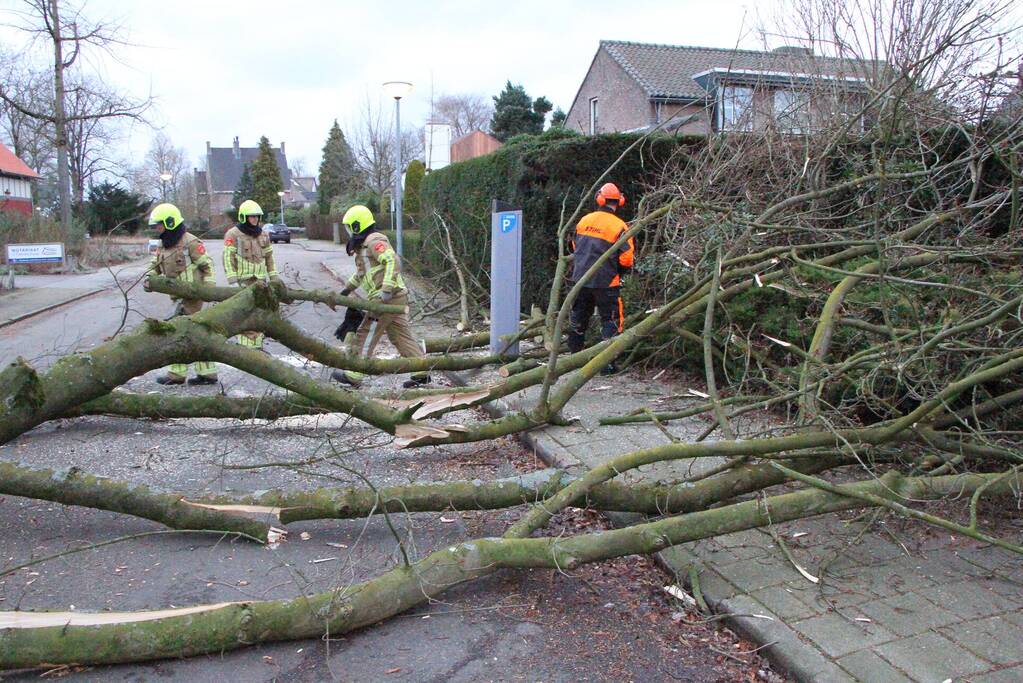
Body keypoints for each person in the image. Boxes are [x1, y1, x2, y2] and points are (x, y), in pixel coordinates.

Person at [330, 204, 431, 389]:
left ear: (357, 226)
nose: (347, 231)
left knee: (366, 331)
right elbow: (361, 274)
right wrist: (345, 290)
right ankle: (421, 371)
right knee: (400, 335)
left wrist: (386, 290)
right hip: (395, 296)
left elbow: (393, 260)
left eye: (349, 227)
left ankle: (355, 373)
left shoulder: (374, 240)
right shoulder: (363, 246)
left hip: (387, 297)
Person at [144, 203, 219, 386]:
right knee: (196, 333)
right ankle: (207, 373)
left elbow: (207, 266)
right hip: (177, 296)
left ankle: (177, 375)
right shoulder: (163, 244)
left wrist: (208, 291)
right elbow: (155, 266)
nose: (157, 228)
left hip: (193, 296)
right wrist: (149, 278)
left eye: (160, 224)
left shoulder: (191, 242)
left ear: (170, 222)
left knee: (178, 333)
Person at [567, 182, 635, 375]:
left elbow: (574, 246)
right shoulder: (620, 226)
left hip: (580, 278)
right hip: (606, 282)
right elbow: (627, 258)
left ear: (600, 198)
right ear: (619, 201)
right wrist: (619, 271)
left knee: (579, 317)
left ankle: (574, 356)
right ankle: (607, 364)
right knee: (611, 320)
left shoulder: (584, 221)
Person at [223, 199, 279, 349]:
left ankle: (258, 347)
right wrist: (233, 280)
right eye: (251, 216)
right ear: (244, 217)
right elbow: (228, 259)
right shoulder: (233, 234)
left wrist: (274, 278)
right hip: (243, 282)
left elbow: (269, 258)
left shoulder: (263, 235)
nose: (255, 219)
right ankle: (247, 349)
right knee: (245, 316)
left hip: (261, 282)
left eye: (256, 216)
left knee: (260, 315)